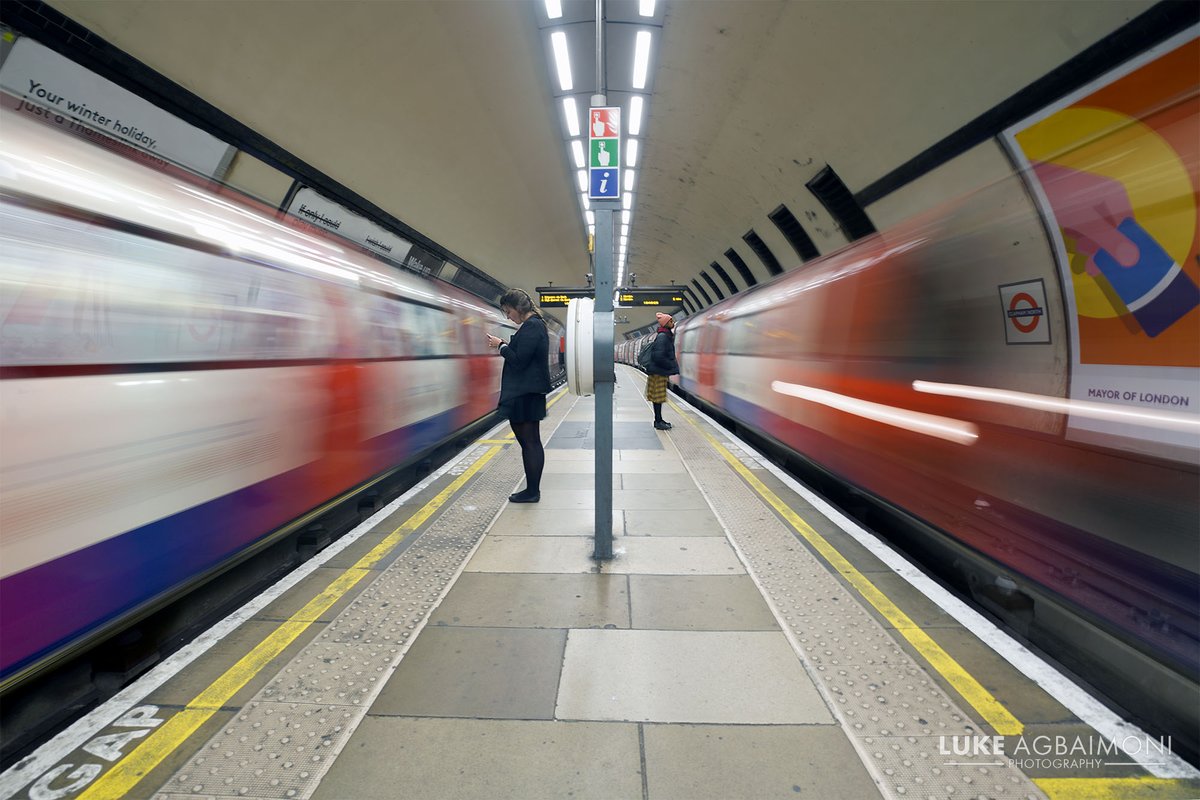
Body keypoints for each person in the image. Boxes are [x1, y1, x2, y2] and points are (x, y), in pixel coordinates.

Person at [486, 288, 551, 503]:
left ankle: (532, 492)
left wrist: (501, 345)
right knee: (529, 442)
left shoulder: (533, 326)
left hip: (525, 394)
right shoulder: (534, 326)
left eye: (508, 311)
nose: (508, 316)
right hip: (526, 393)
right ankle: (532, 490)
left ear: (518, 308)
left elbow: (519, 361)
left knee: (530, 442)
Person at [645, 311, 680, 430]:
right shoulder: (663, 337)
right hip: (658, 372)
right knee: (657, 398)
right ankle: (658, 421)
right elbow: (658, 356)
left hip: (658, 371)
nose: (673, 322)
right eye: (671, 321)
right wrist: (670, 365)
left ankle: (659, 420)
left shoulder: (664, 335)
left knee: (658, 398)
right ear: (666, 323)